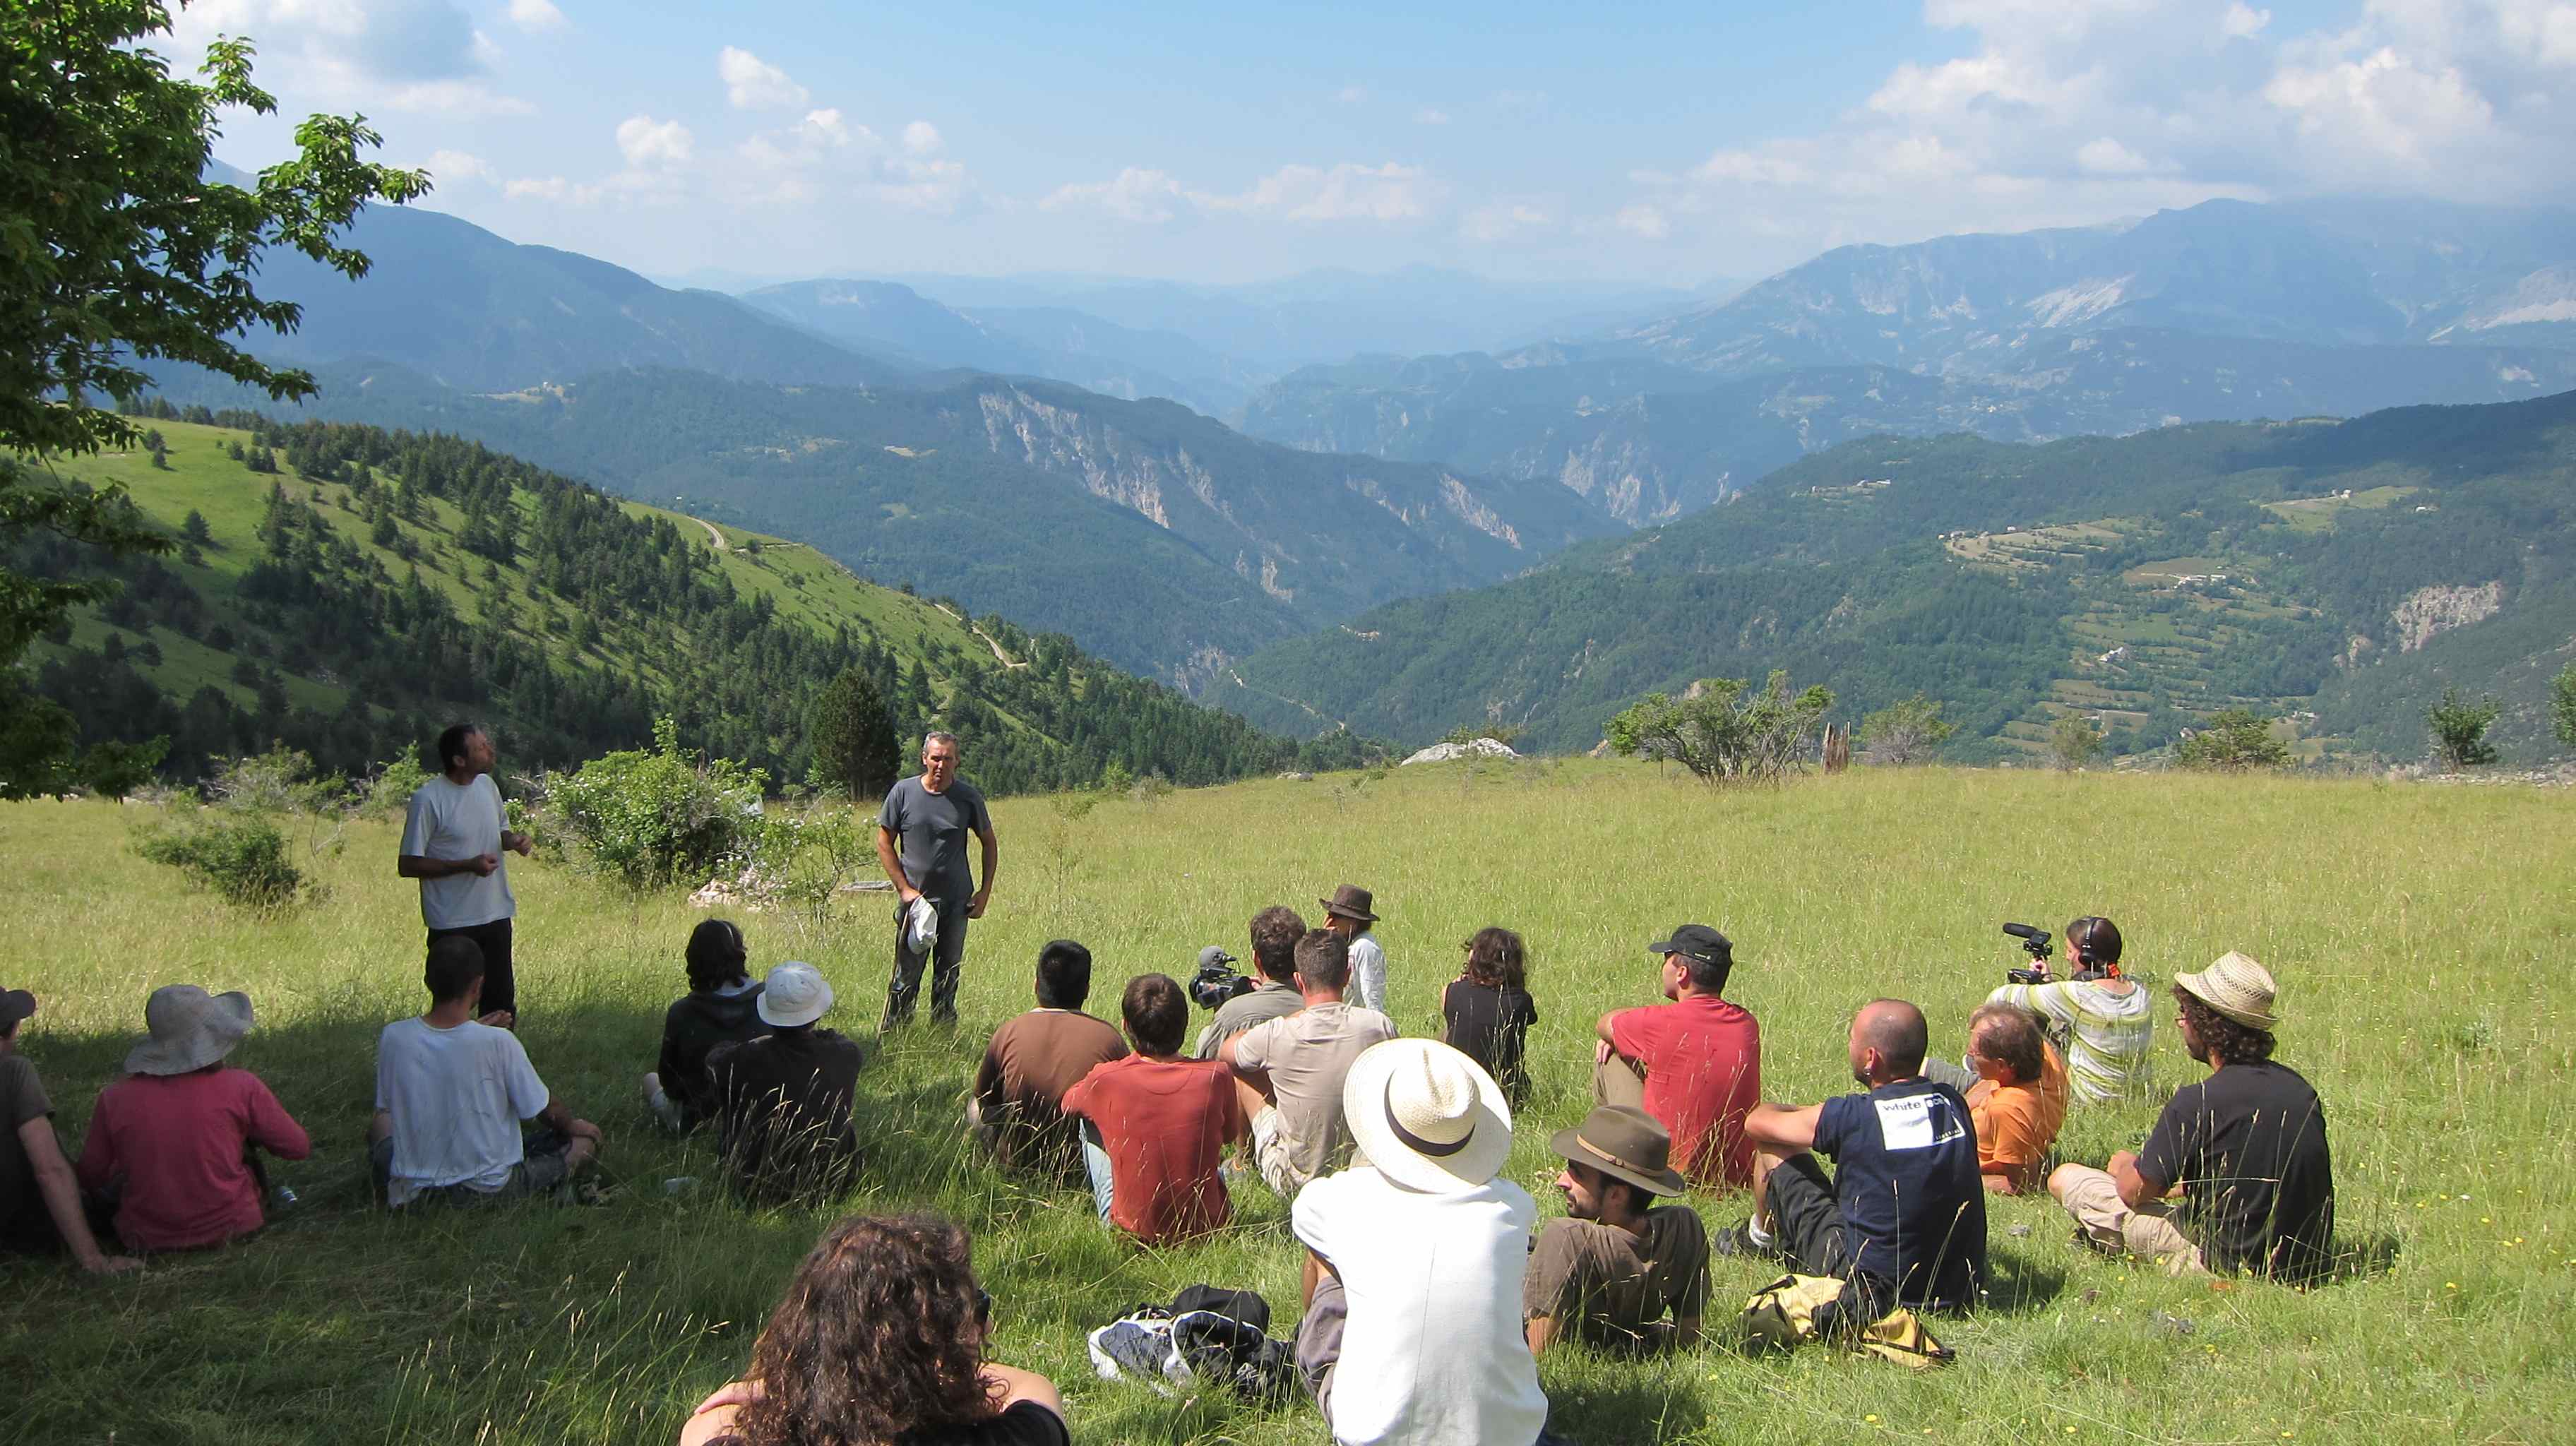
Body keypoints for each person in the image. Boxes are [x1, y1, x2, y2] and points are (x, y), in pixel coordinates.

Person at [1291, 1038, 1549, 1446]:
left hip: (1373, 1435)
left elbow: (1308, 1215)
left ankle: (1335, 1373)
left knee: (1326, 1257)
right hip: (1510, 1436)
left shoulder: (1337, 1199)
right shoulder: (1513, 1207)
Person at [2049, 953, 2334, 1281]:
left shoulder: (2196, 1101)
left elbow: (2132, 1192)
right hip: (2303, 1262)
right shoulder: (2300, 1090)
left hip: (2221, 1263)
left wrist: (2125, 1165)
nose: (2182, 1024)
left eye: (2185, 1014)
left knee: (2067, 1178)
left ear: (2206, 1023)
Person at [679, 1213, 1068, 1446]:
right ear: (933, 1349)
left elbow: (706, 1423)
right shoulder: (1015, 1438)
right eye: (977, 1311)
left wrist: (803, 1385)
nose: (988, 1326)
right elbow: (1033, 1388)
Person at [1737, 1000, 1986, 1329]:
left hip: (1869, 1289)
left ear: (1871, 1058)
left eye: (1852, 1039)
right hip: (1959, 1288)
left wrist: (1809, 1110)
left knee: (1773, 1147)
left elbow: (1757, 1123)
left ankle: (1761, 1239)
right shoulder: (1952, 1102)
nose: (1849, 1046)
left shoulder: (1854, 1116)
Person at [370, 938, 602, 1208]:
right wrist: (572, 1125)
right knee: (584, 1143)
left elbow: (401, 1095)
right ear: (478, 986)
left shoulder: (394, 1037)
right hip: (489, 1190)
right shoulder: (499, 1042)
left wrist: (474, 1031)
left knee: (381, 1123)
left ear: (427, 981)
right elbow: (545, 1110)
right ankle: (554, 1189)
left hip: (415, 1196)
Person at [76, 985, 311, 1251]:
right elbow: (298, 1148)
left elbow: (90, 1175)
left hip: (147, 1239)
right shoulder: (242, 1087)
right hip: (236, 1227)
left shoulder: (114, 1098)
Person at [1061, 974, 1245, 1244]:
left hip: (1133, 1234)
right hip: (1207, 1228)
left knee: (1087, 1119)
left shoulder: (1107, 1079)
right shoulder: (1216, 1075)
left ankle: (1115, 1215)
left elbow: (1068, 1104)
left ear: (1126, 1026)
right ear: (1185, 1023)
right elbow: (1229, 1135)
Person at [1524, 1105, 1709, 1356]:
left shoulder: (1566, 1239)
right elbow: (1689, 1340)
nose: (1561, 1181)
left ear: (1616, 1196)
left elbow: (1537, 1358)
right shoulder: (1683, 1228)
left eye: (1577, 1174)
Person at [1227, 930, 1397, 1200]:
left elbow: (1227, 1053)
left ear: (1299, 980)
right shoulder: (1378, 1025)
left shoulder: (1277, 1033)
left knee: (1243, 1074)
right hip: (1362, 1175)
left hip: (1292, 1183)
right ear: (1347, 975)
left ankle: (1241, 1163)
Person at [1593, 924, 1762, 1189]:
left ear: (1682, 973)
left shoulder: (1660, 1022)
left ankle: (1611, 1160)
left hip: (1665, 1174)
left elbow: (1605, 1023)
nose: (1663, 968)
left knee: (1612, 1054)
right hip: (1735, 1178)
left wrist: (1615, 1038)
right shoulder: (1747, 1023)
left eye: (1666, 959)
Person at [398, 722, 533, 1024]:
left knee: (501, 1009)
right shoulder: (428, 799)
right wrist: (466, 866)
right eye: (481, 747)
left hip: (495, 913)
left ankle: (498, 1055)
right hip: (452, 922)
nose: (490, 751)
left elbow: (499, 832)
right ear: (459, 760)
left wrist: (514, 841)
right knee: (451, 1010)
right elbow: (408, 864)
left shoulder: (488, 787)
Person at [0, 988, 140, 1274]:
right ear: (10, 1031)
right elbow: (49, 1170)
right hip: (24, 1231)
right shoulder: (13, 1073)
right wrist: (92, 1259)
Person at [708, 962, 866, 1205]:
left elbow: (714, 1060)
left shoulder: (744, 1059)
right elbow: (839, 1041)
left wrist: (754, 1044)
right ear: (816, 1014)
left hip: (755, 1187)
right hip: (832, 1183)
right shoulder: (846, 1054)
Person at [969, 940, 1127, 1184]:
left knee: (973, 1106)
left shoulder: (1008, 1032)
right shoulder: (1109, 1039)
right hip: (1082, 1167)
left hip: (1018, 1159)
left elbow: (985, 1100)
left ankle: (992, 1166)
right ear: (1086, 990)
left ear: (1036, 984)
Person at [877, 731, 998, 1029]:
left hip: (957, 903)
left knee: (948, 975)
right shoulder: (903, 793)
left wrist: (984, 893)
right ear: (924, 759)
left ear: (957, 761)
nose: (941, 764)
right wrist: (904, 890)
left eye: (947, 758)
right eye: (935, 758)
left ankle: (943, 1034)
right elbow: (884, 843)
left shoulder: (968, 798)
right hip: (916, 903)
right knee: (906, 976)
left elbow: (989, 843)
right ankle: (897, 1032)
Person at [1984, 915, 2151, 1105]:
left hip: (2087, 1099)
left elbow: (2001, 997)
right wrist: (2050, 985)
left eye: (2070, 951)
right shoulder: (2139, 990)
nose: (2067, 956)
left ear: (2086, 958)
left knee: (2022, 1017)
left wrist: (2040, 988)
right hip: (2137, 1099)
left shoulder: (2077, 995)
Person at [643, 919, 768, 1133]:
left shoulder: (681, 1011)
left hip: (695, 1118)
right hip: (754, 1115)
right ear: (739, 955)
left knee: (649, 1080)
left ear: (694, 960)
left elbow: (669, 1084)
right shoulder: (768, 1001)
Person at [1961, 1003, 2068, 1195]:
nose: (1969, 1052)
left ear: (2001, 1066)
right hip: (1967, 1108)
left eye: (1975, 1052)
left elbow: (2024, 1185)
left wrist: (1958, 1181)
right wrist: (1957, 1108)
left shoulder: (2007, 1110)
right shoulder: (2040, 1053)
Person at [1193, 906, 1308, 1059]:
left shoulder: (1231, 1016)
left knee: (1205, 1035)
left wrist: (1224, 1011)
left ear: (1257, 959)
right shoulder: (1319, 1009)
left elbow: (1210, 1068)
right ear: (1301, 957)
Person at [1442, 926, 1537, 1106]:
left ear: (1473, 956)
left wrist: (1464, 978)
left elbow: (1451, 1021)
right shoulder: (1520, 1001)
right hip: (1504, 1094)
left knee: (1447, 1030)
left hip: (1458, 1089)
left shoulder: (1450, 992)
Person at [1320, 884, 1388, 1015]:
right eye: (1330, 914)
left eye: (1337, 916)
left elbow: (1372, 999)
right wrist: (1324, 943)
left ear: (1354, 921)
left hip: (1358, 1022)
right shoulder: (1340, 944)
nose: (1330, 920)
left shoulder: (1365, 947)